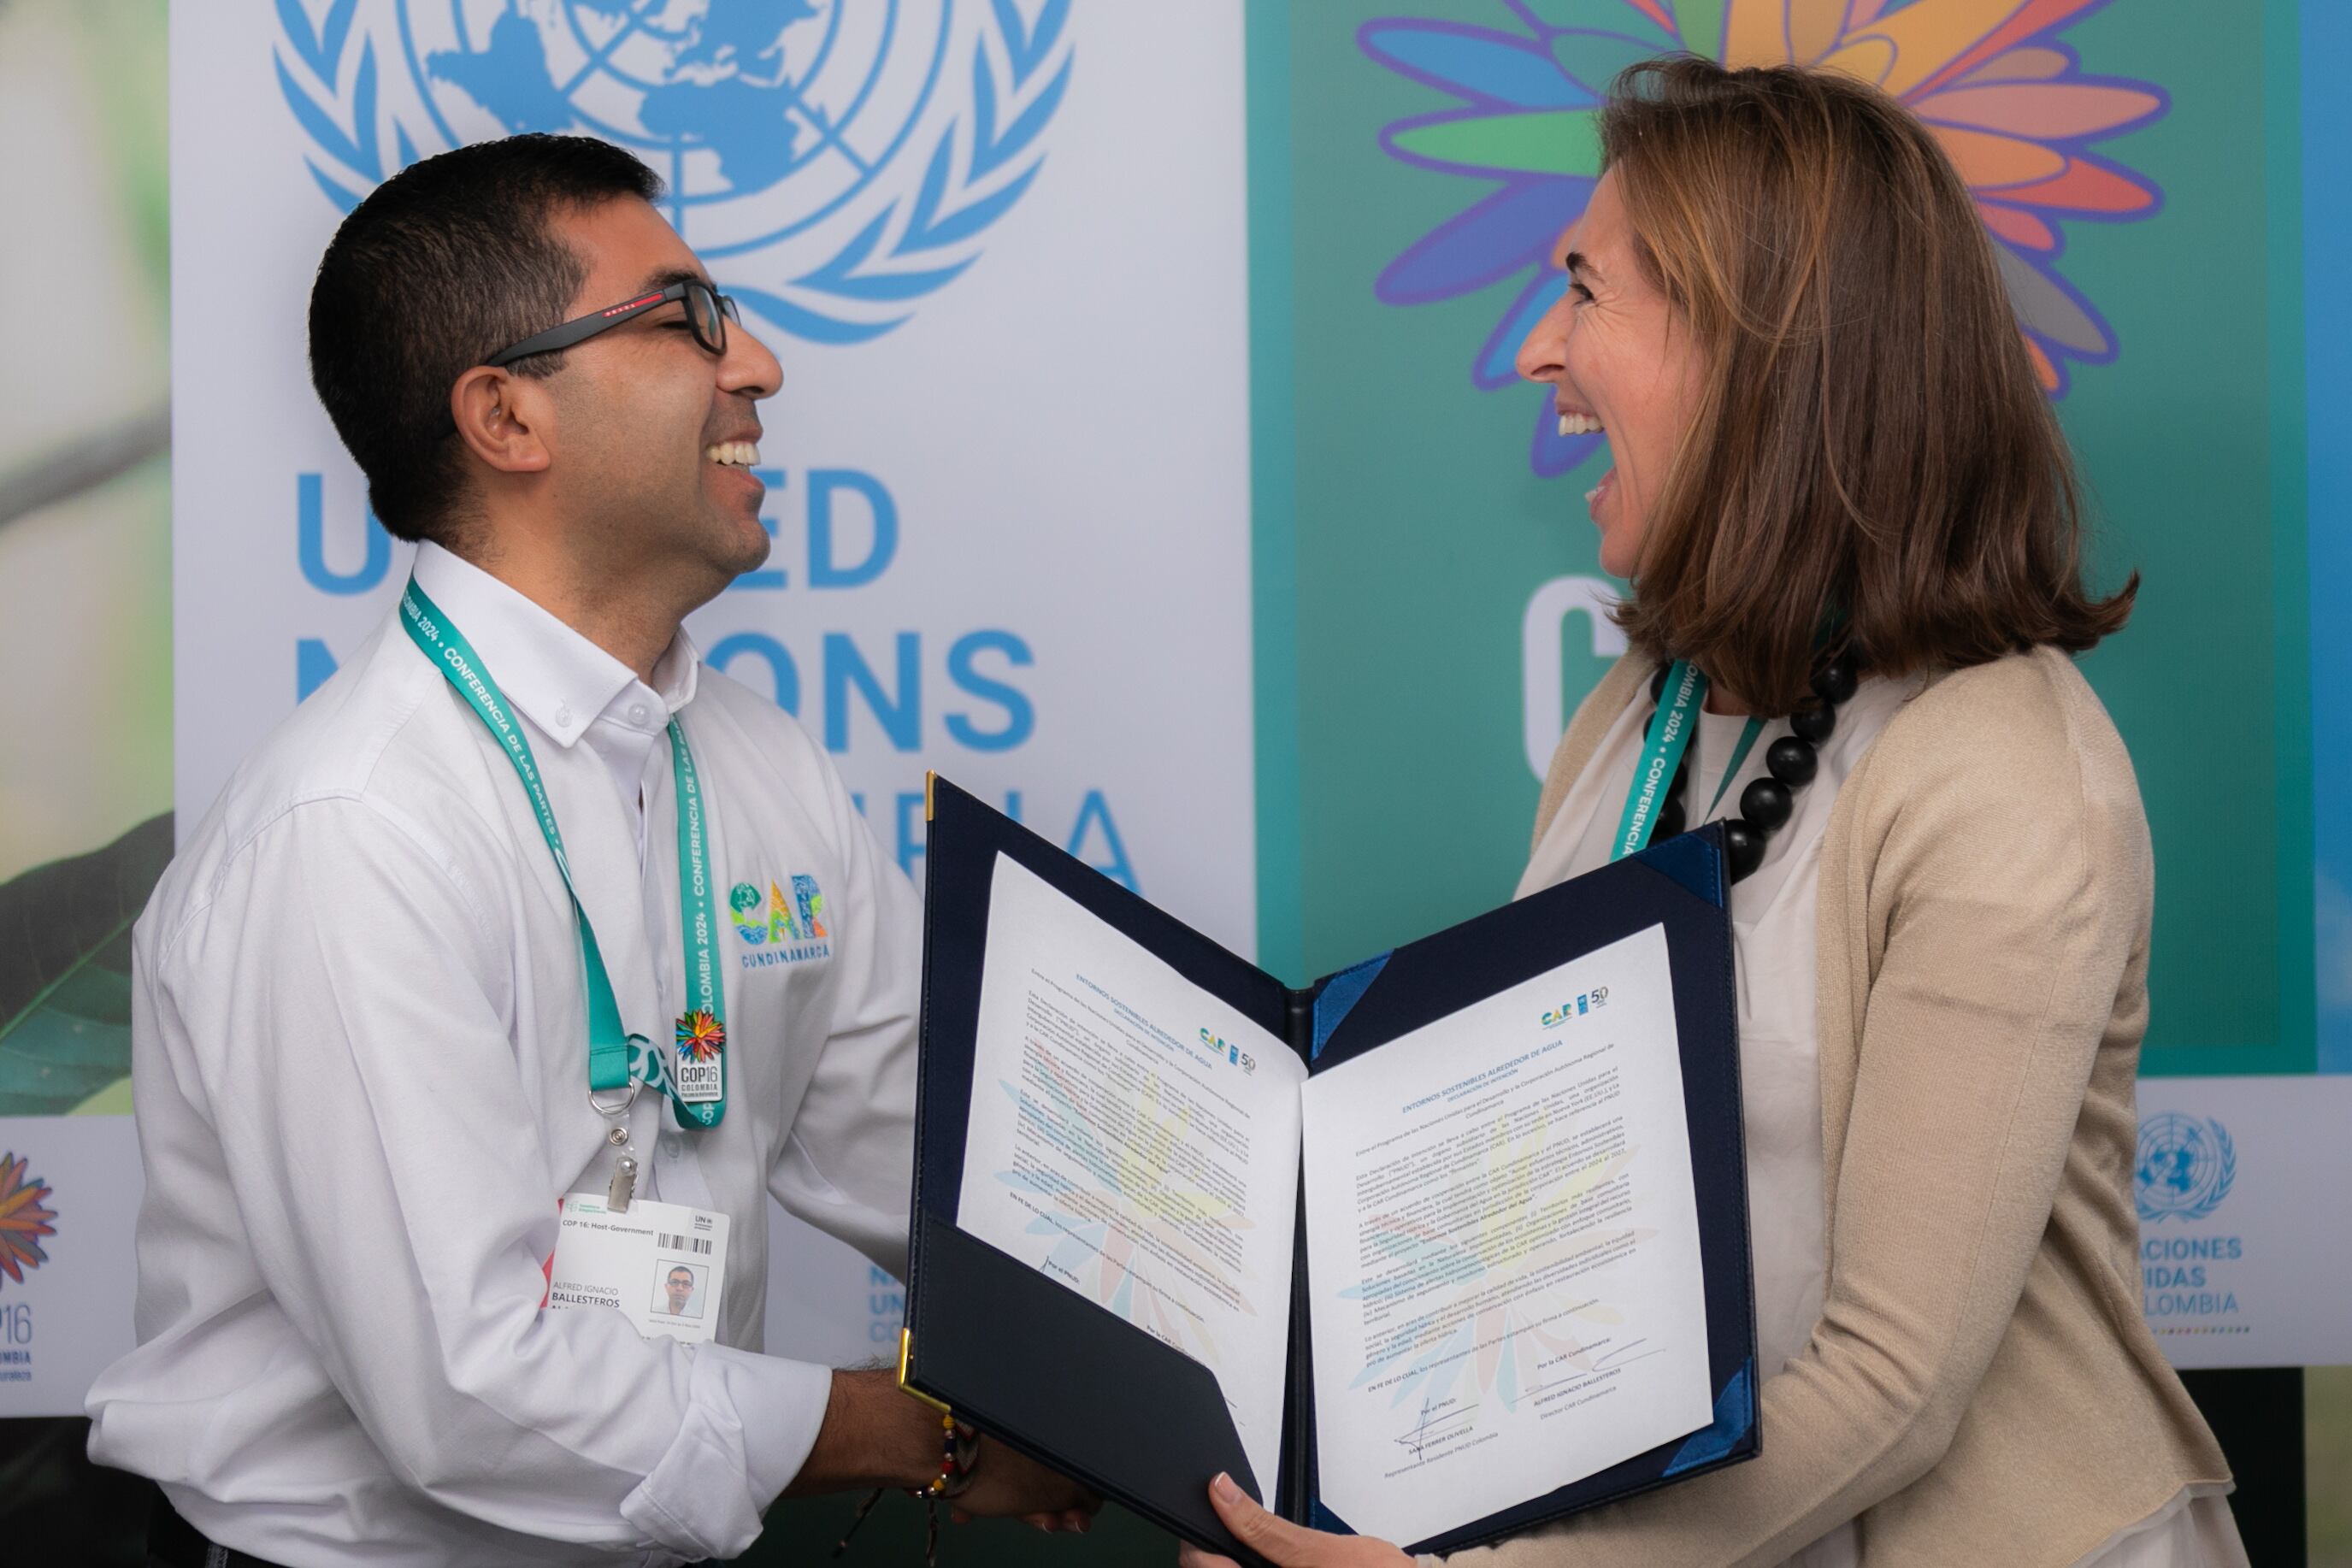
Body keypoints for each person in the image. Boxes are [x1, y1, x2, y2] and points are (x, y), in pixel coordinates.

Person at [1182, 58, 2244, 1568]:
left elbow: (1895, 1383)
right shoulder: (1640, 708)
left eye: (1587, 292)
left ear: (1767, 354)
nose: (1539, 351)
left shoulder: (2009, 778)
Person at [85, 133, 1093, 1567]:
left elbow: (927, 1165)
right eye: (688, 316)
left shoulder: (753, 759)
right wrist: (925, 1433)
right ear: (505, 417)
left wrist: (1215, 1351)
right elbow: (473, 1386)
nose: (759, 368)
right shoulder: (352, 830)